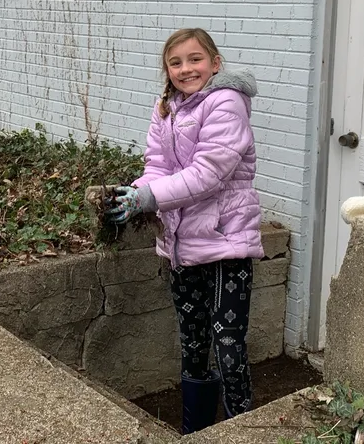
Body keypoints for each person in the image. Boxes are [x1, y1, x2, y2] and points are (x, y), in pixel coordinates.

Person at [107, 28, 263, 434]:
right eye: (175, 62)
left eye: (195, 59)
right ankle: (195, 432)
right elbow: (158, 166)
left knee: (228, 347)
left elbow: (208, 174)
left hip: (226, 244)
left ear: (215, 63)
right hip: (180, 244)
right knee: (193, 344)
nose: (185, 69)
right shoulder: (166, 108)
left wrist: (149, 198)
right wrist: (132, 195)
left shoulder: (226, 103)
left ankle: (240, 431)